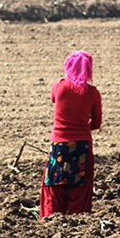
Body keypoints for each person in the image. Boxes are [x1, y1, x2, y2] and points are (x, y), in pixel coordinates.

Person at [40, 51, 103, 218]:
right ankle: (79, 221)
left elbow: (54, 100)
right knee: (80, 191)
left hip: (58, 146)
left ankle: (52, 219)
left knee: (54, 187)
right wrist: (82, 124)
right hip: (81, 146)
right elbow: (96, 124)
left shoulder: (58, 86)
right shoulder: (93, 93)